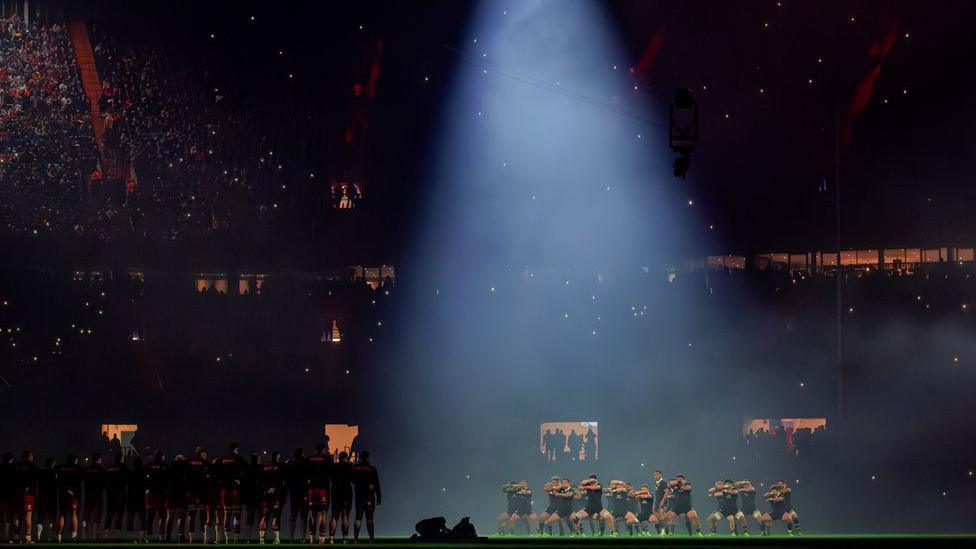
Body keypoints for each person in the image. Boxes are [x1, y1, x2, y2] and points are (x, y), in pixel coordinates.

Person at [215, 443, 247, 543]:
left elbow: (215, 471)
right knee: (237, 515)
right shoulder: (239, 459)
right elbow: (247, 470)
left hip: (224, 491)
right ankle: (236, 538)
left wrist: (221, 481)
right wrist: (240, 479)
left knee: (227, 514)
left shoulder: (222, 459)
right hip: (235, 490)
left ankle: (228, 538)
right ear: (236, 449)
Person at [184, 447, 213, 543]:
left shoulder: (189, 462)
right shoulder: (206, 463)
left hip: (191, 492)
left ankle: (191, 538)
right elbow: (208, 478)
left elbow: (186, 477)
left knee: (191, 515)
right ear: (202, 453)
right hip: (201, 492)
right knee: (202, 515)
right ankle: (205, 537)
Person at [350, 450, 380, 542]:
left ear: (361, 457)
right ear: (368, 457)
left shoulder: (355, 468)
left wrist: (358, 485)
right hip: (369, 496)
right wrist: (378, 496)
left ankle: (355, 539)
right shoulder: (372, 469)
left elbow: (352, 480)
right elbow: (376, 483)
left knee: (358, 517)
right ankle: (371, 539)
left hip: (359, 496)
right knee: (370, 518)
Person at [305, 443, 332, 544]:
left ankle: (312, 538)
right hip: (323, 489)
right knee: (323, 513)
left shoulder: (309, 458)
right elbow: (330, 473)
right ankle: (322, 538)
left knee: (312, 513)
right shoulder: (327, 459)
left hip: (311, 488)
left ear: (316, 449)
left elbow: (305, 473)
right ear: (323, 450)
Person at [257, 451, 285, 545]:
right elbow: (282, 482)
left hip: (266, 495)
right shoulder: (280, 467)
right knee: (276, 516)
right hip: (276, 495)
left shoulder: (265, 467)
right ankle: (277, 539)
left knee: (264, 515)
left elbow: (260, 481)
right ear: (277, 457)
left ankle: (261, 539)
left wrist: (266, 489)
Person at [12, 451, 39, 543]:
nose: (32, 457)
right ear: (29, 457)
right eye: (31, 455)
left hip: (19, 494)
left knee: (18, 515)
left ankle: (16, 536)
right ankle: (27, 538)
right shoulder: (33, 467)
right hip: (29, 495)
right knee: (28, 516)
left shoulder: (18, 467)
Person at [55, 454, 83, 541]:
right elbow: (80, 481)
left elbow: (57, 480)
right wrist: (72, 490)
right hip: (73, 494)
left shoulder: (60, 467)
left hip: (63, 494)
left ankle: (59, 534)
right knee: (73, 513)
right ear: (75, 460)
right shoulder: (78, 468)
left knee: (62, 513)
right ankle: (74, 535)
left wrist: (66, 489)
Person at [144, 450, 169, 542]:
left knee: (150, 515)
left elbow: (145, 479)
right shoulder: (164, 466)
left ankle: (149, 536)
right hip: (161, 494)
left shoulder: (148, 465)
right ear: (161, 456)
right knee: (162, 516)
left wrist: (147, 488)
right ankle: (161, 536)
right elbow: (167, 480)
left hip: (151, 493)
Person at [80, 453, 106, 540]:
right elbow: (104, 483)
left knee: (87, 512)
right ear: (99, 460)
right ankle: (96, 534)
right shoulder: (101, 469)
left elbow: (82, 480)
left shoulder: (86, 469)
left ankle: (84, 532)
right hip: (98, 495)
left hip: (88, 494)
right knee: (97, 514)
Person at [284, 448, 308, 542]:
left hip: (293, 492)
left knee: (293, 515)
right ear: (302, 454)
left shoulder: (290, 464)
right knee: (303, 516)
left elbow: (286, 476)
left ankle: (291, 538)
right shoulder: (305, 463)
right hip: (303, 491)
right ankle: (303, 538)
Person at [103, 453, 128, 539]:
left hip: (110, 493)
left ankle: (107, 528)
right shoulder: (123, 467)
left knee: (110, 511)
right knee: (119, 512)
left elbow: (104, 480)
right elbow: (126, 479)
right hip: (120, 492)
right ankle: (117, 529)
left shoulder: (109, 468)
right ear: (121, 459)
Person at [125, 454, 146, 540]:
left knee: (131, 517)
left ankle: (130, 535)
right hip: (140, 498)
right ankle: (142, 535)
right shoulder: (142, 474)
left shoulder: (131, 474)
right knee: (142, 517)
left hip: (131, 498)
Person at [651, 470, 668, 536]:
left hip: (662, 503)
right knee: (657, 518)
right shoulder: (656, 483)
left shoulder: (663, 482)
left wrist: (662, 501)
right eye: (654, 475)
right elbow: (657, 494)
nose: (655, 476)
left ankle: (663, 532)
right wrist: (655, 503)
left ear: (660, 475)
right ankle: (661, 532)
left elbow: (667, 492)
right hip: (656, 502)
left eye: (657, 474)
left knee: (661, 516)